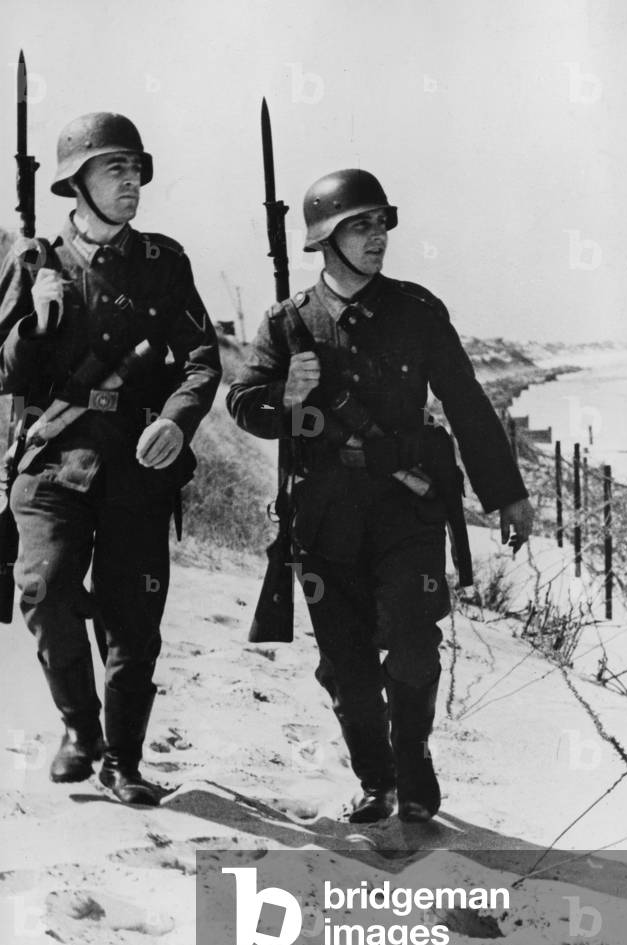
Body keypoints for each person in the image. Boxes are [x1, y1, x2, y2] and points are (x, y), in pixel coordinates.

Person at [227, 169, 533, 824]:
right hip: (324, 517)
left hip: (407, 509)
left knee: (416, 646)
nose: (378, 237)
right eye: (361, 225)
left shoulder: (418, 312)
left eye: (381, 223)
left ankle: (413, 756)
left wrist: (506, 494)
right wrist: (287, 395)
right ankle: (376, 778)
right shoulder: (287, 324)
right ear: (325, 238)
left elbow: (468, 406)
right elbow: (244, 405)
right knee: (346, 669)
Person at [0, 112, 220, 805]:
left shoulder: (164, 264)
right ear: (77, 183)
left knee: (133, 617)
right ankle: (79, 729)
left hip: (136, 462)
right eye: (113, 169)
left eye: (135, 169)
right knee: (46, 590)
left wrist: (179, 423)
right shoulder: (35, 261)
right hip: (51, 458)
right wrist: (35, 320)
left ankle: (123, 760)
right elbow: (6, 371)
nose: (130, 183)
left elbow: (201, 360)